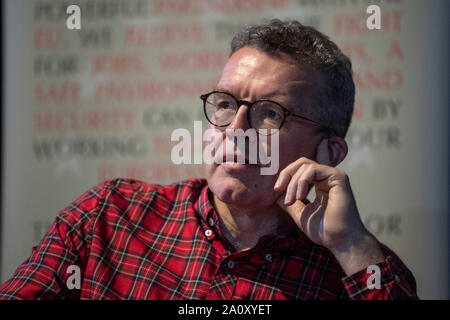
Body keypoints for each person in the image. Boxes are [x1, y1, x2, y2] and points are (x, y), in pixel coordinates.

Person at [0, 19, 417, 300]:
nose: (235, 129)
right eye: (224, 104)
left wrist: (351, 245)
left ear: (328, 152)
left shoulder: (358, 272)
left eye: (270, 113)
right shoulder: (107, 220)